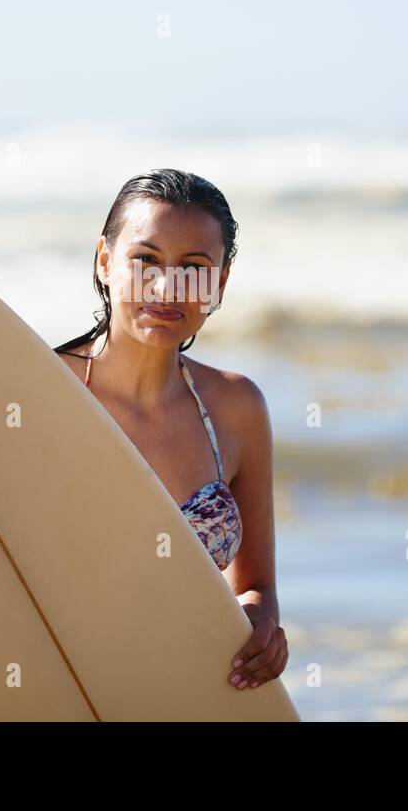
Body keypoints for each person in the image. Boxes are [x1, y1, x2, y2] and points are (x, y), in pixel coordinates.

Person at [54, 168, 288, 692]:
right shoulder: (38, 394)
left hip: (185, 690)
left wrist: (262, 626)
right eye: (146, 260)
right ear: (104, 260)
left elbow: (256, 586)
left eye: (195, 267)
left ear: (219, 284)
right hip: (61, 688)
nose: (167, 287)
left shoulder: (236, 407)